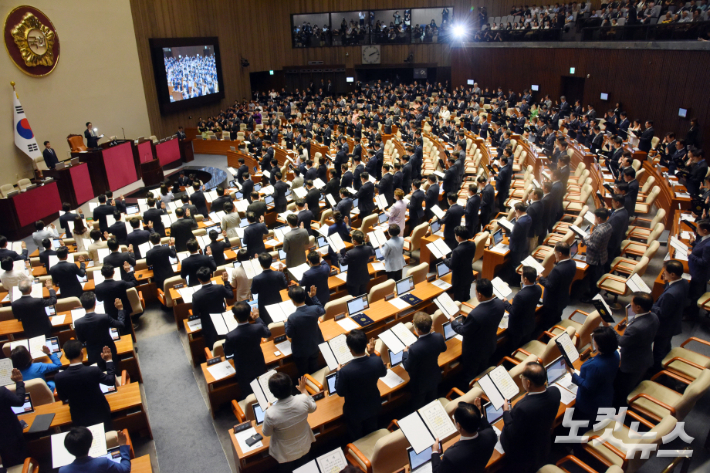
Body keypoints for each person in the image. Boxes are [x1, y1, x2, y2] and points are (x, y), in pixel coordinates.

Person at [499, 362, 561, 473]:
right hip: (543, 444)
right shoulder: (555, 392)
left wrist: (506, 412)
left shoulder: (523, 408)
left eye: (522, 377)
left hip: (524, 454)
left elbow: (512, 433)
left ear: (528, 383)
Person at [605, 292, 659, 407]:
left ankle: (616, 411)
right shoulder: (654, 317)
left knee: (621, 391)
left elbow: (621, 342)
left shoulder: (636, 328)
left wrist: (609, 327)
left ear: (638, 307)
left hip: (632, 364)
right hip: (645, 357)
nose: (630, 304)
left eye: (632, 303)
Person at [449, 279, 505, 385]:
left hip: (474, 352)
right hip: (490, 344)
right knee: (483, 369)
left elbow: (463, 330)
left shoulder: (475, 315)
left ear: (479, 294)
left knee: (470, 375)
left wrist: (453, 322)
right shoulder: (500, 304)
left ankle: (470, 391)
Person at [335, 329, 387, 440]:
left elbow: (340, 392)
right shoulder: (376, 360)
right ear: (366, 345)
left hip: (354, 412)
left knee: (356, 437)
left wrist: (338, 373)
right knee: (372, 432)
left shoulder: (345, 371)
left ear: (350, 349)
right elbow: (383, 373)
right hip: (373, 405)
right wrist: (372, 353)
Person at [262, 373, 317, 473]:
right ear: (290, 386)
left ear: (273, 393)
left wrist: (270, 409)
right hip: (304, 446)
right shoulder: (303, 399)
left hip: (285, 454)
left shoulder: (270, 413)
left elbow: (266, 433)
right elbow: (313, 407)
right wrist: (304, 390)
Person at [55, 341, 116, 429]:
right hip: (100, 412)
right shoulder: (93, 370)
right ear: (81, 353)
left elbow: (63, 397)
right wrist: (109, 360)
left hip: (79, 417)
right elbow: (110, 381)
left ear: (66, 356)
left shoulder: (59, 377)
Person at [567, 326, 619, 424]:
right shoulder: (615, 354)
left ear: (600, 345)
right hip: (606, 396)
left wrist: (572, 373)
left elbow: (587, 387)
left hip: (590, 405)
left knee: (584, 428)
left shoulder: (595, 366)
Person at [431, 398, 496, 473]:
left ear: (459, 425)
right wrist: (479, 415)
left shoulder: (451, 456)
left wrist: (435, 452)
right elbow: (488, 428)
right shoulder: (490, 435)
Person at [223, 301, 271, 399]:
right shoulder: (258, 327)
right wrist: (257, 318)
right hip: (258, 362)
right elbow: (268, 333)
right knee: (262, 387)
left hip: (242, 367)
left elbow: (228, 352)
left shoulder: (230, 336)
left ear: (235, 317)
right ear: (250, 314)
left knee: (247, 392)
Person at [403, 312, 447, 410]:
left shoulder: (414, 349)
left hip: (419, 383)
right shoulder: (438, 337)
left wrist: (405, 352)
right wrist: (434, 333)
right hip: (434, 376)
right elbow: (443, 349)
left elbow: (407, 366)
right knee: (433, 402)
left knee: (418, 406)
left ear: (417, 330)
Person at [652, 260, 689, 371]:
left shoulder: (670, 295)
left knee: (658, 351)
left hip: (664, 327)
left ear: (672, 274)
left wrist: (650, 305)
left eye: (665, 271)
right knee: (665, 346)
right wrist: (666, 282)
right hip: (674, 322)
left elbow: (663, 313)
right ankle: (665, 363)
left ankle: (656, 373)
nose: (663, 273)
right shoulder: (684, 282)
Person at [74, 292, 126, 369]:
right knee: (113, 370)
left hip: (93, 354)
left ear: (82, 305)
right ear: (95, 303)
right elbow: (121, 324)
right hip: (109, 350)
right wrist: (120, 309)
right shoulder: (104, 317)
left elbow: (81, 340)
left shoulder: (77, 323)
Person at [285, 285, 325, 376]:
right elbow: (322, 310)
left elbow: (289, 334)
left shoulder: (292, 318)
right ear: (305, 297)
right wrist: (314, 297)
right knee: (315, 369)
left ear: (293, 301)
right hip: (315, 345)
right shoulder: (314, 309)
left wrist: (286, 323)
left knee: (304, 374)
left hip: (301, 351)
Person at [191, 267, 233, 350]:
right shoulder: (220, 288)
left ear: (199, 279)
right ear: (211, 275)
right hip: (221, 318)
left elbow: (195, 313)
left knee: (212, 346)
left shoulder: (196, 295)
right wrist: (226, 282)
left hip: (207, 322)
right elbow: (231, 296)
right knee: (225, 342)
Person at [502, 266, 542, 353]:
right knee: (524, 344)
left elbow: (513, 311)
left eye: (522, 275)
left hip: (517, 328)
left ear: (526, 279)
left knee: (513, 349)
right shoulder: (538, 288)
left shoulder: (520, 296)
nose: (520, 276)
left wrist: (505, 302)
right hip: (529, 323)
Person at [59, 426, 131, 473]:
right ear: (90, 443)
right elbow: (125, 469)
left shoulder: (63, 471)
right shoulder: (103, 463)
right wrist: (123, 445)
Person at [538, 242, 576, 329]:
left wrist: (540, 278)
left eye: (555, 253)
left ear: (560, 254)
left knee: (548, 322)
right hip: (563, 298)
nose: (554, 255)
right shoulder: (572, 263)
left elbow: (550, 286)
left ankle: (548, 338)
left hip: (552, 302)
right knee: (557, 317)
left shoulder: (557, 270)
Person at [580, 208, 613, 303]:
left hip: (595, 258)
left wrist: (585, 241)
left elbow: (594, 246)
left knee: (593, 279)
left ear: (598, 218)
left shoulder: (599, 231)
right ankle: (594, 292)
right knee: (597, 276)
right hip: (603, 255)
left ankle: (592, 296)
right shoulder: (608, 226)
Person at [0, 368, 27, 467]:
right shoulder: (1, 391)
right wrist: (19, 382)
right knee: (21, 462)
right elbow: (19, 401)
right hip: (11, 435)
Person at [251, 253, 288, 325]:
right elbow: (284, 286)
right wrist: (282, 274)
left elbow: (254, 291)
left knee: (267, 323)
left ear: (260, 264)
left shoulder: (256, 279)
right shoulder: (279, 274)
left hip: (263, 304)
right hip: (277, 300)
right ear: (271, 262)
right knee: (278, 321)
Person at [443, 227, 476, 302]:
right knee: (467, 295)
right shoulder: (472, 244)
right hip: (468, 275)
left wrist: (444, 259)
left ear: (458, 237)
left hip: (459, 279)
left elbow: (452, 266)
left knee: (458, 299)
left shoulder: (457, 251)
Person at [687, 219, 710, 319]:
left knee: (695, 295)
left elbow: (704, 262)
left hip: (699, 274)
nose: (696, 230)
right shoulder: (705, 238)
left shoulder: (708, 245)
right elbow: (700, 249)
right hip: (697, 271)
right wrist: (693, 243)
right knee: (695, 292)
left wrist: (691, 255)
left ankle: (692, 315)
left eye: (698, 228)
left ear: (705, 230)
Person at [340, 230, 375, 296]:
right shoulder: (368, 248)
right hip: (364, 278)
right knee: (363, 296)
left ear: (354, 241)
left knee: (355, 298)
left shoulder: (350, 253)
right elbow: (373, 252)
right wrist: (368, 242)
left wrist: (338, 254)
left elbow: (342, 262)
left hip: (353, 281)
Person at [506, 203, 532, 270]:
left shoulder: (519, 222)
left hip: (516, 246)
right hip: (523, 243)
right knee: (520, 261)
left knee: (515, 265)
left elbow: (514, 236)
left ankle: (515, 278)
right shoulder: (529, 218)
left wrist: (506, 232)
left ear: (518, 210)